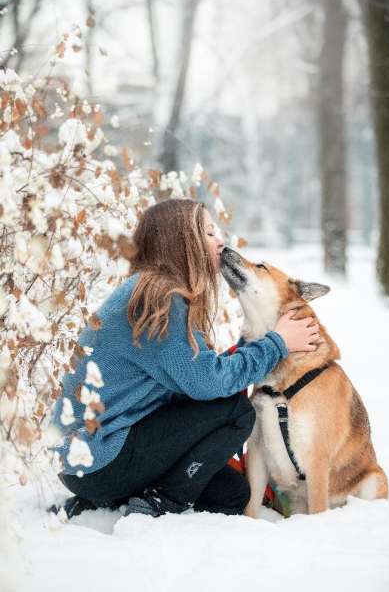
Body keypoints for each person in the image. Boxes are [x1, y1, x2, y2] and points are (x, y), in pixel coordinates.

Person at [51, 198, 319, 519]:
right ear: (182, 240)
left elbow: (190, 381)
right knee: (235, 411)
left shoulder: (150, 290)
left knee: (232, 496)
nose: (220, 241)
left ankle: (109, 498)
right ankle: (161, 501)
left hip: (90, 461)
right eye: (207, 233)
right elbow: (209, 384)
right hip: (101, 459)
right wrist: (278, 344)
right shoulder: (157, 299)